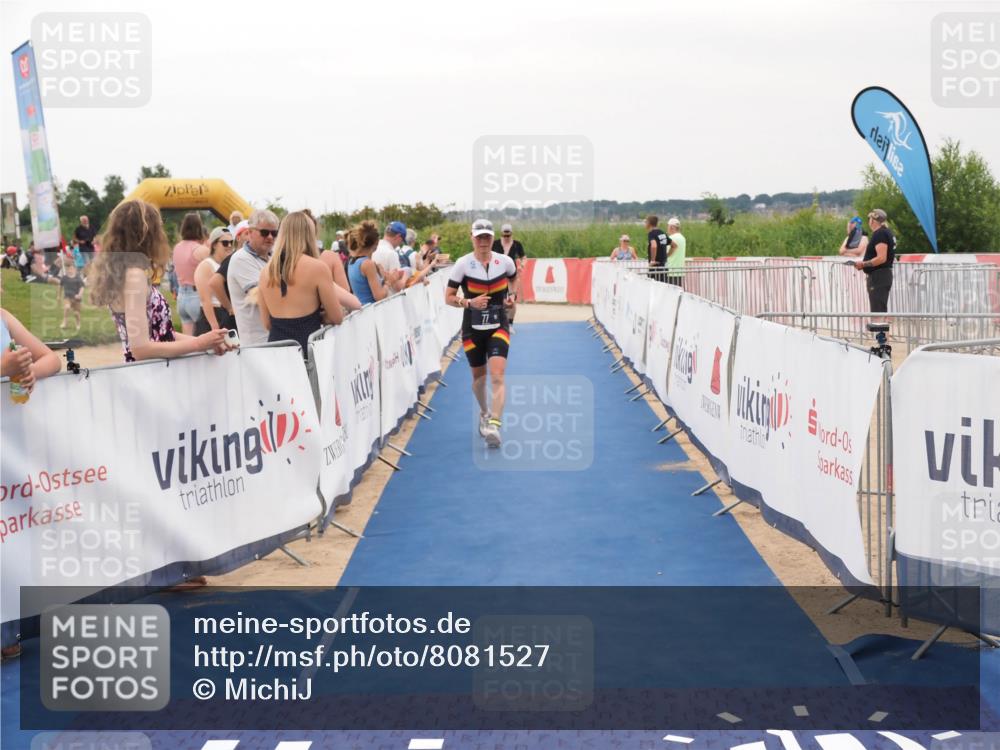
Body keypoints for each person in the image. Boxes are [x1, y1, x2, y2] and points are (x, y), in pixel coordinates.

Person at [87, 200, 229, 362]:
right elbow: (141, 349)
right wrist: (198, 343)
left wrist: (208, 342)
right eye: (158, 228)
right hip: (150, 374)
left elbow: (163, 334)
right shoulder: (134, 276)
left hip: (154, 370)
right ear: (145, 233)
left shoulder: (129, 273)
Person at [445, 218, 517, 449]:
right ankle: (485, 412)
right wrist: (469, 302)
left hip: (498, 325)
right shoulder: (463, 264)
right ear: (472, 238)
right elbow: (448, 297)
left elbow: (514, 278)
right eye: (479, 237)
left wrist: (511, 296)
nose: (483, 241)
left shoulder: (504, 262)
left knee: (497, 376)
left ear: (493, 238)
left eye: (487, 237)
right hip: (472, 328)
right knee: (479, 379)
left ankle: (494, 424)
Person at [257, 211, 344, 355]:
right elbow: (336, 316)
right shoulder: (317, 267)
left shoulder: (266, 271)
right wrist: (316, 317)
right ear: (309, 234)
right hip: (307, 349)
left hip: (275, 350)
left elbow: (267, 323)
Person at [227, 209, 279, 346]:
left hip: (274, 338)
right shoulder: (241, 259)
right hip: (257, 343)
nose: (270, 237)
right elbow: (262, 297)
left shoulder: (274, 257)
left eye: (274, 233)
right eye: (264, 232)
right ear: (249, 232)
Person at [854, 208, 896, 333]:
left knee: (878, 314)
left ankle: (883, 347)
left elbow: (881, 258)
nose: (869, 222)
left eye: (870, 219)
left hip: (879, 276)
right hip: (882, 275)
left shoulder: (880, 234)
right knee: (880, 311)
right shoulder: (887, 232)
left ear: (873, 220)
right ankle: (883, 345)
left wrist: (863, 264)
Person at [1, 308, 61, 394]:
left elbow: (53, 359)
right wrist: (3, 369)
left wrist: (30, 371)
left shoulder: (3, 317)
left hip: (13, 405)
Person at [194, 227, 236, 334]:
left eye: (232, 242)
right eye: (225, 243)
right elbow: (205, 300)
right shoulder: (206, 265)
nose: (230, 246)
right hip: (213, 314)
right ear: (214, 245)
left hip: (228, 314)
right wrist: (214, 326)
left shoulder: (229, 263)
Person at [173, 212, 209, 335]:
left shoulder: (177, 247)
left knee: (188, 341)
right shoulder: (201, 250)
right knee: (205, 339)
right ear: (199, 227)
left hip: (181, 296)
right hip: (197, 296)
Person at [346, 220, 394, 305]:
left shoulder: (351, 261)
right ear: (376, 243)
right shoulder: (367, 264)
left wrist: (381, 276)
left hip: (362, 310)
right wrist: (389, 282)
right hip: (372, 312)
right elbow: (379, 297)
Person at [492, 224, 525, 331]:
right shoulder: (495, 244)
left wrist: (522, 265)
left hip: (512, 277)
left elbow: (524, 257)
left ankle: (510, 324)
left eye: (508, 235)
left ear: (511, 233)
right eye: (504, 235)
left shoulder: (517, 244)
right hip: (497, 276)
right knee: (497, 300)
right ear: (501, 233)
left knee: (512, 300)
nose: (506, 237)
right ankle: (498, 323)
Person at [373, 221, 407, 293]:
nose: (400, 244)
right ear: (398, 236)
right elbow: (397, 287)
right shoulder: (391, 254)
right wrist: (406, 275)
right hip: (388, 298)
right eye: (401, 241)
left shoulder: (373, 247)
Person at [58, 262, 85, 331]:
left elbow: (82, 287)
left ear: (75, 269)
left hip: (76, 299)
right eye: (68, 269)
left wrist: (80, 295)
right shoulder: (64, 278)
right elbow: (60, 287)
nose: (69, 270)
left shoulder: (78, 278)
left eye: (71, 269)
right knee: (67, 307)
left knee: (76, 313)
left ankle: (78, 323)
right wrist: (59, 295)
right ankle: (64, 322)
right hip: (67, 297)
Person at [645, 215, 670, 282]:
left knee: (652, 287)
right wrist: (667, 255)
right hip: (663, 266)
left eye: (645, 222)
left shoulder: (651, 233)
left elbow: (654, 246)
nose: (645, 224)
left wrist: (652, 260)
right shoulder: (662, 233)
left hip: (655, 267)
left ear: (649, 223)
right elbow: (674, 245)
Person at [666, 217, 686, 286]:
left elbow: (667, 253)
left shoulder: (671, 238)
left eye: (668, 226)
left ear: (671, 227)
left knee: (670, 293)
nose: (667, 228)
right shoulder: (682, 238)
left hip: (671, 270)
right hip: (680, 271)